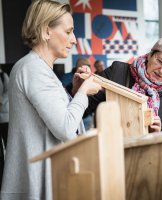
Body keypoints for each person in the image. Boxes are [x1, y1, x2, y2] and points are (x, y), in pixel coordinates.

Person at [0, 1, 101, 199]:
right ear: (47, 32)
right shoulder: (33, 69)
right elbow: (65, 128)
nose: (74, 40)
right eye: (69, 32)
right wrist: (84, 92)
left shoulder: (39, 68)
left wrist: (75, 91)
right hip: (36, 183)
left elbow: (53, 117)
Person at [72, 37, 162, 150]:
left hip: (150, 160)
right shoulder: (118, 71)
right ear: (150, 55)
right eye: (160, 61)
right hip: (111, 152)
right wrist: (78, 90)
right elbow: (84, 109)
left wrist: (160, 134)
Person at [0, 67, 9, 189]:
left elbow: (7, 93)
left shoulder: (4, 76)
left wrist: (1, 102)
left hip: (5, 116)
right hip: (3, 115)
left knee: (7, 144)